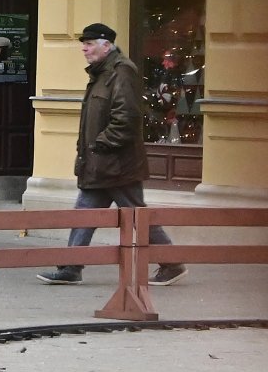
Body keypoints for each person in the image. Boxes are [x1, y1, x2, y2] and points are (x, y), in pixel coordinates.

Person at [38, 22, 186, 286]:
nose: (84, 49)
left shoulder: (121, 72)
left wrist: (101, 144)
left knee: (136, 215)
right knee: (84, 211)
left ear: (106, 46)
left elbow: (127, 117)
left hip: (119, 165)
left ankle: (172, 262)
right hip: (100, 164)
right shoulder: (101, 73)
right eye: (83, 44)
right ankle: (71, 267)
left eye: (89, 44)